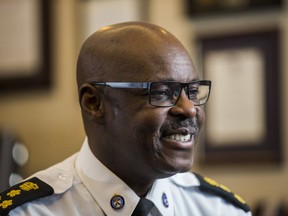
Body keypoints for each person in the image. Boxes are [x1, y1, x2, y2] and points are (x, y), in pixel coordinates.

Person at [0, 22, 251, 216]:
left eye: (193, 92)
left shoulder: (221, 209)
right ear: (94, 103)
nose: (189, 109)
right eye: (163, 92)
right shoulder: (28, 211)